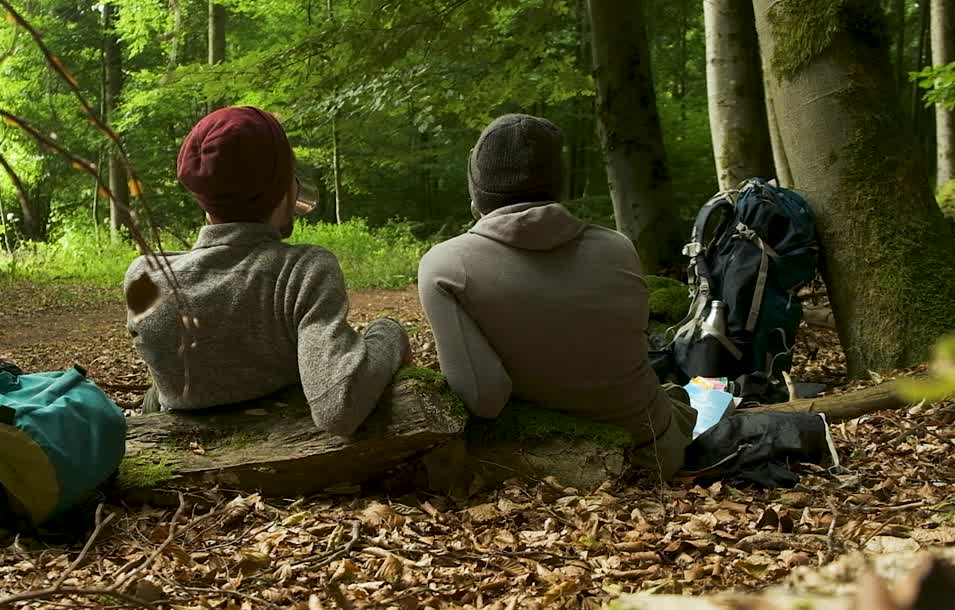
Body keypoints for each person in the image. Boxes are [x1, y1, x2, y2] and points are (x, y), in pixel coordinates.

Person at [417, 113, 696, 478]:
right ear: (557, 183)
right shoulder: (618, 248)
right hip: (655, 451)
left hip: (557, 461)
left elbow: (484, 399)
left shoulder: (445, 266)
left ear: (477, 189)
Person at [124, 106, 410, 436]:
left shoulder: (145, 275)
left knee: (153, 396)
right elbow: (339, 407)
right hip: (290, 475)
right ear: (282, 188)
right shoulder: (303, 270)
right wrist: (388, 333)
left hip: (183, 459)